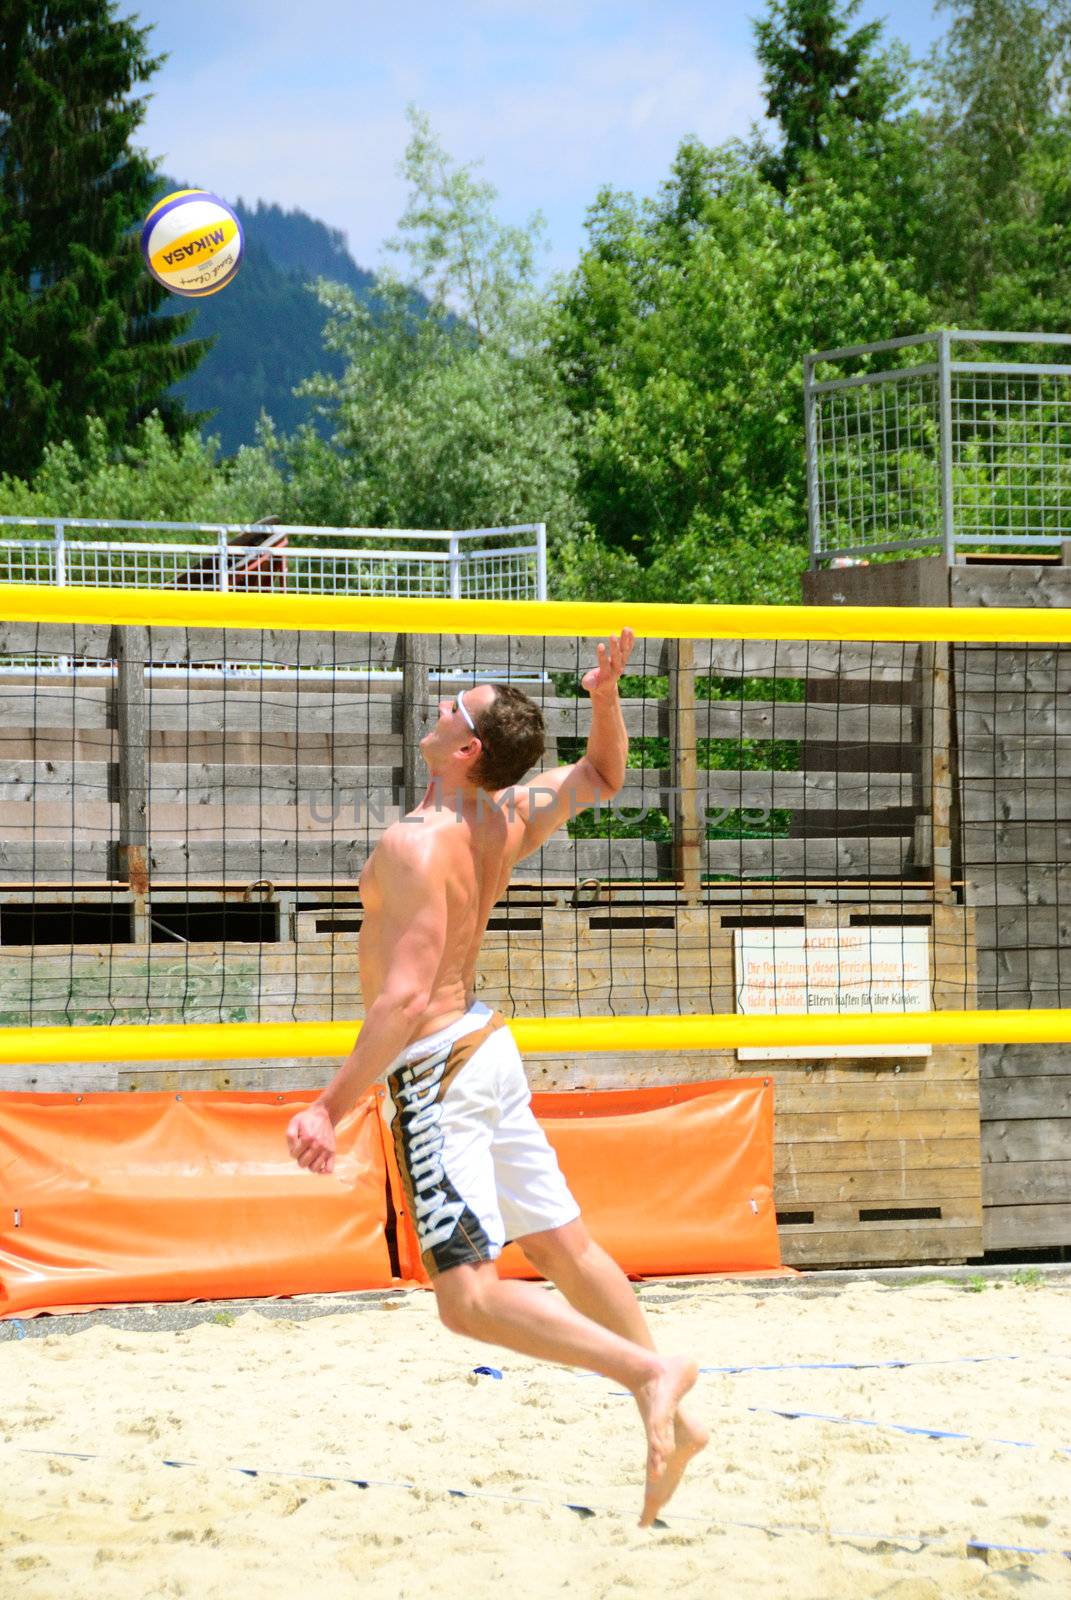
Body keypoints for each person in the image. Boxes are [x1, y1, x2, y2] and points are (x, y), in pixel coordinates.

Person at [287, 630, 708, 1526]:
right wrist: (602, 694)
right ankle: (666, 1412)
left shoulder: (416, 842)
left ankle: (648, 1371)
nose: (439, 709)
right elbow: (601, 776)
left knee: (468, 1302)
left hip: (438, 1062)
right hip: (488, 1048)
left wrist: (330, 1106)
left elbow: (400, 1002)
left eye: (454, 707)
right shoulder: (506, 815)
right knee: (563, 1246)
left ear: (466, 749)